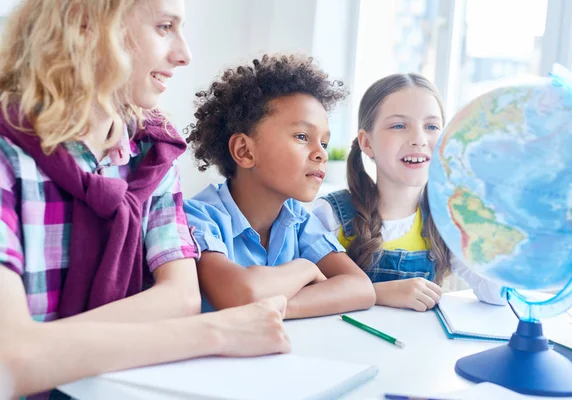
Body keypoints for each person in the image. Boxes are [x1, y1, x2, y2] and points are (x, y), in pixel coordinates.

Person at [0, 1, 289, 398]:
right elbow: (9, 361)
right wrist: (216, 331)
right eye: (164, 26)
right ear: (85, 25)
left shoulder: (153, 152)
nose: (184, 54)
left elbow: (182, 297)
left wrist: (41, 347)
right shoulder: (6, 154)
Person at [184, 54, 376, 318]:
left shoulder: (298, 221)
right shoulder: (197, 218)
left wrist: (274, 306)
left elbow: (360, 288)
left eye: (324, 143)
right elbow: (242, 295)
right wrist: (305, 268)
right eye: (302, 136)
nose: (321, 153)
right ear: (245, 151)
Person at [312, 73, 506, 312]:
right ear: (366, 143)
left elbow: (497, 295)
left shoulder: (446, 219)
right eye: (399, 126)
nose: (419, 139)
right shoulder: (331, 215)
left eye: (432, 126)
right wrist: (377, 293)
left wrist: (491, 227)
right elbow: (302, 294)